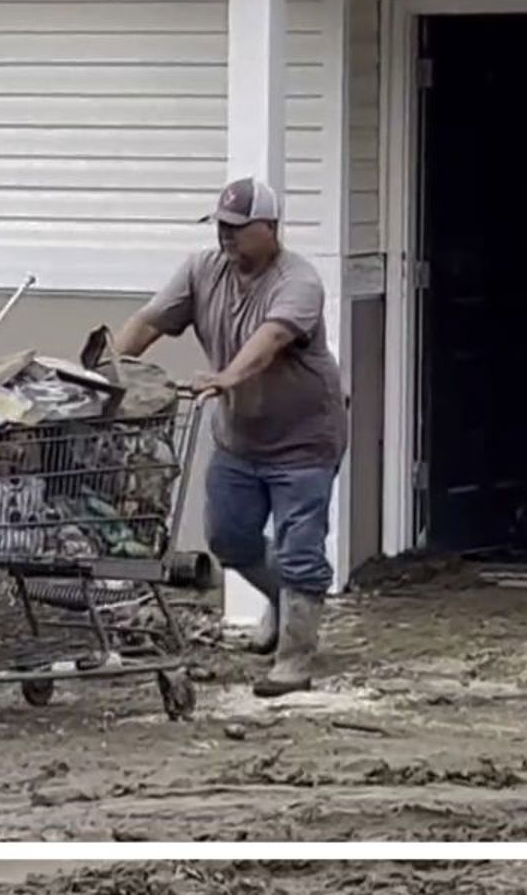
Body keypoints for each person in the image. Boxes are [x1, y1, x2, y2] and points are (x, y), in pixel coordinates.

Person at [111, 177, 348, 696]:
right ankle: (281, 603)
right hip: (239, 437)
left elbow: (270, 340)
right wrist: (106, 374)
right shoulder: (202, 270)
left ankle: (295, 657)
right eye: (221, 226)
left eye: (239, 229)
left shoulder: (298, 281)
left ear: (271, 229)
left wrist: (224, 377)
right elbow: (150, 321)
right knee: (228, 537)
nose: (227, 236)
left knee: (299, 547)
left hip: (304, 439)